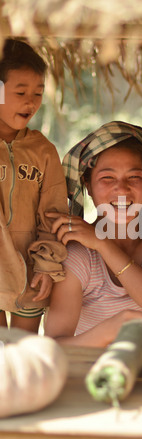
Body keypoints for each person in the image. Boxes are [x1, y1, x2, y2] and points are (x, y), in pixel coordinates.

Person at [44, 121, 142, 347]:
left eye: (134, 177)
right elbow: (53, 345)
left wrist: (102, 243)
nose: (122, 189)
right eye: (107, 178)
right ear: (88, 184)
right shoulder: (78, 256)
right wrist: (109, 331)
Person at [0, 39, 68, 332]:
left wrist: (46, 265)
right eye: (21, 92)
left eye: (38, 93)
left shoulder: (44, 150)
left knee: (22, 353)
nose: (31, 101)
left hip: (31, 271)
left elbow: (53, 213)